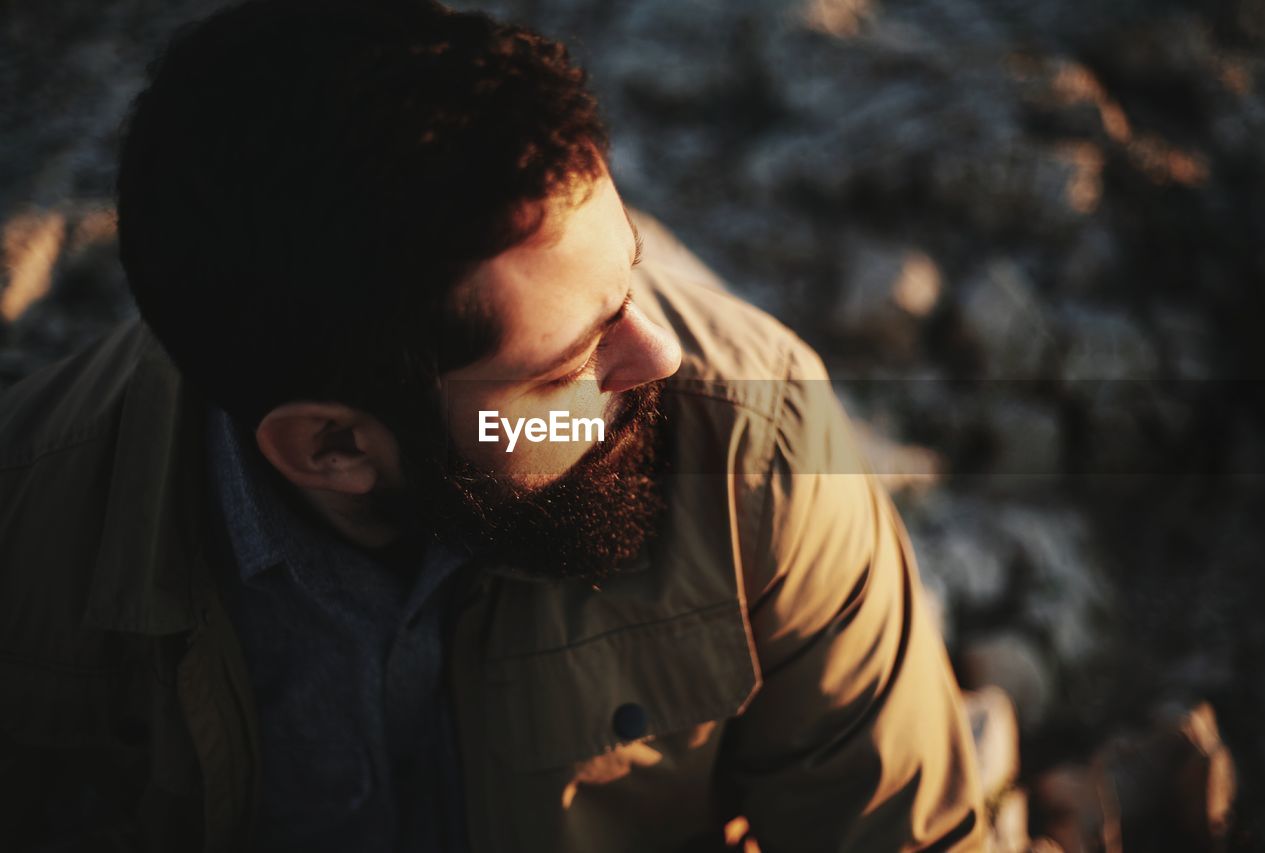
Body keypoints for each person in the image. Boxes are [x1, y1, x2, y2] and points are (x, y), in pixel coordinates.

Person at [0, 0, 985, 850]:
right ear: (332, 448)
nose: (658, 356)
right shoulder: (34, 531)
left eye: (626, 279)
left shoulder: (751, 444)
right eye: (566, 365)